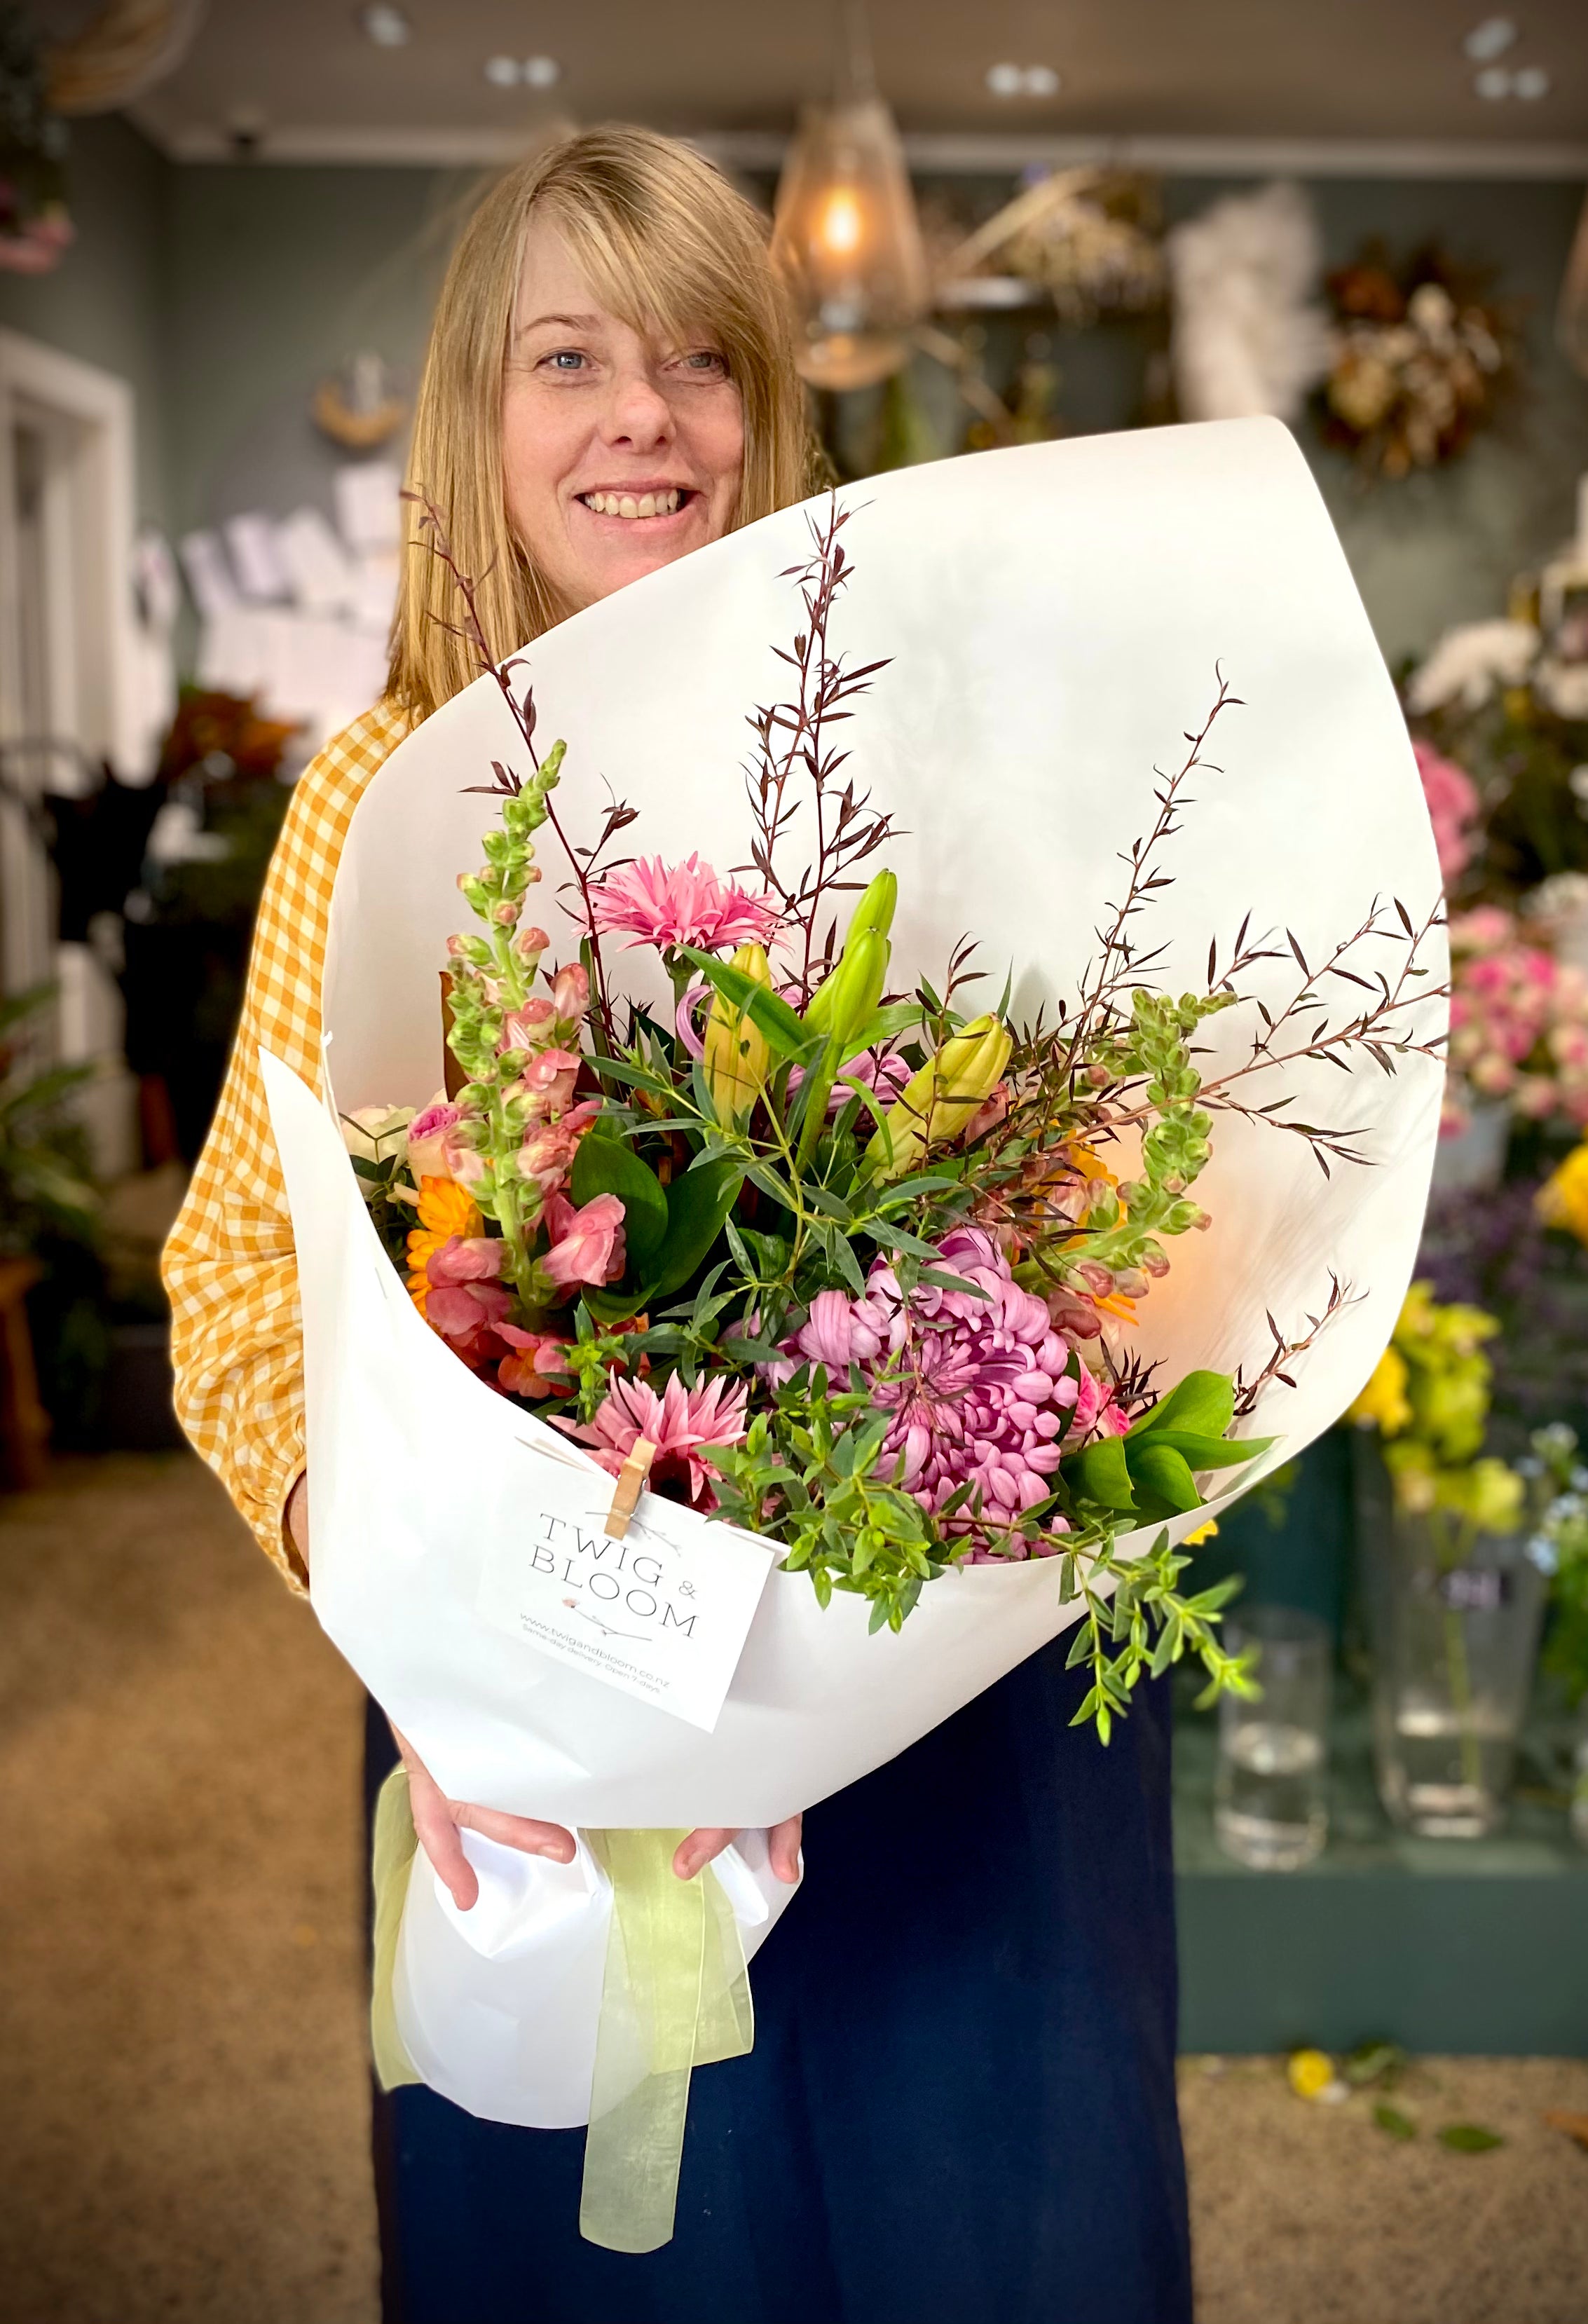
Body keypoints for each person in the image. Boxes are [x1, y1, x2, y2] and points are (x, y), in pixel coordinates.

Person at [164, 127, 1192, 2324]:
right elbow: (243, 1269)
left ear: (769, 411)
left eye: (702, 359)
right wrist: (423, 1627)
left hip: (947, 1663)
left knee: (993, 2229)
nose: (644, 414)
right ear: (477, 416)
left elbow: (1093, 1184)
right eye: (569, 357)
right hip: (550, 1692)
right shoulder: (377, 792)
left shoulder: (925, 743)